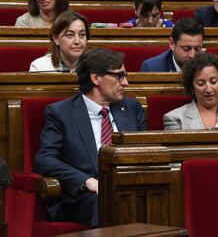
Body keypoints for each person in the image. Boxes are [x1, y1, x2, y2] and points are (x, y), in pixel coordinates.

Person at [35, 47, 146, 227]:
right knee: (102, 202)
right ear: (96, 78)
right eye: (119, 76)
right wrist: (87, 181)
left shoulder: (132, 108)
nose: (125, 83)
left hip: (129, 187)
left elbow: (145, 151)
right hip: (85, 196)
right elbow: (45, 159)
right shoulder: (61, 113)